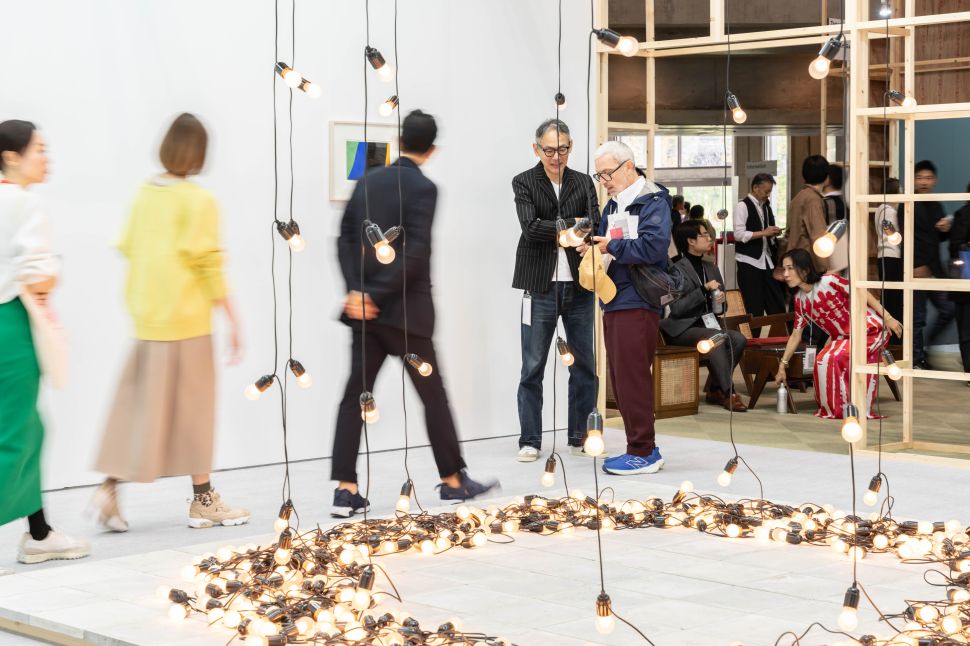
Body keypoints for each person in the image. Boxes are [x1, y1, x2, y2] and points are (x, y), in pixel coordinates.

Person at [333, 109, 498, 517]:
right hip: (407, 315)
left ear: (400, 139)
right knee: (433, 398)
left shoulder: (369, 179)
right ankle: (453, 481)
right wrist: (376, 293)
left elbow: (345, 238)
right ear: (433, 148)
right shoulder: (425, 188)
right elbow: (415, 253)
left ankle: (345, 488)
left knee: (354, 398)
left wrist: (358, 292)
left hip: (367, 316)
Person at [91, 114, 248, 530]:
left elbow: (127, 245)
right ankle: (203, 501)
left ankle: (109, 487)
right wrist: (233, 319)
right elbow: (208, 263)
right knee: (195, 413)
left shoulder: (145, 194)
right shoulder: (198, 201)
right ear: (199, 153)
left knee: (138, 408)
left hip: (147, 319)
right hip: (188, 321)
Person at [1, 120, 90, 563]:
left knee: (29, 430)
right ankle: (37, 535)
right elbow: (39, 275)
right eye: (39, 149)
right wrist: (49, 275)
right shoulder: (23, 203)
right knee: (18, 435)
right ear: (11, 157)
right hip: (10, 324)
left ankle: (39, 533)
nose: (46, 158)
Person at [511, 119, 599, 461]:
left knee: (584, 366)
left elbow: (594, 223)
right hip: (539, 286)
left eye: (562, 149)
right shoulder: (524, 181)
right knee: (532, 366)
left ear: (571, 147)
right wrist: (571, 229)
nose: (556, 156)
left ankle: (580, 436)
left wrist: (567, 229)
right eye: (549, 150)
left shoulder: (583, 181)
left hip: (580, 286)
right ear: (537, 149)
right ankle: (530, 440)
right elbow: (530, 229)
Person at [581, 140, 671, 475]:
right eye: (599, 174)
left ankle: (643, 450)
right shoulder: (614, 205)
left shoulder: (653, 200)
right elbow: (610, 245)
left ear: (628, 167)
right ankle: (641, 445)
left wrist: (611, 245)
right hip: (614, 297)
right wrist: (593, 248)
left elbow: (653, 246)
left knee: (632, 375)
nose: (603, 180)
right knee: (621, 376)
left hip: (638, 299)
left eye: (608, 173)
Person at [774, 249, 902, 419]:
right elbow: (796, 335)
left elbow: (861, 293)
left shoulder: (830, 281)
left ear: (804, 269)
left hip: (870, 331)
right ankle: (834, 410)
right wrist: (782, 365)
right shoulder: (800, 301)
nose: (786, 274)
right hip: (842, 339)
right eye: (784, 269)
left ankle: (855, 407)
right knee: (821, 359)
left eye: (790, 268)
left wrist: (888, 318)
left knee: (836, 356)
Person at [662, 221, 747, 411]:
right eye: (704, 235)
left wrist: (721, 299)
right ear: (691, 241)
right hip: (683, 328)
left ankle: (715, 388)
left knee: (738, 339)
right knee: (715, 338)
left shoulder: (711, 266)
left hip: (709, 324)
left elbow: (721, 307)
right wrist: (703, 290)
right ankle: (727, 392)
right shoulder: (676, 269)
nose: (709, 238)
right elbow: (677, 309)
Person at [908, 160, 955, 370]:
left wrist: (945, 229)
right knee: (917, 317)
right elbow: (904, 238)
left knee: (949, 308)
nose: (923, 182)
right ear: (914, 180)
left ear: (934, 180)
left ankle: (925, 351)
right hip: (916, 269)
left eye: (927, 178)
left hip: (935, 269)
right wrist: (915, 265)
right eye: (919, 178)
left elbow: (938, 239)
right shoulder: (907, 203)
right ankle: (916, 360)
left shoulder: (936, 204)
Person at [733, 173, 785, 327]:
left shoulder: (766, 207)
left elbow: (766, 231)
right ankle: (752, 343)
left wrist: (773, 232)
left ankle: (781, 337)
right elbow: (739, 234)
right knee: (753, 306)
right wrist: (764, 233)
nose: (767, 195)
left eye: (769, 191)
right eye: (765, 191)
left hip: (766, 260)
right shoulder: (742, 206)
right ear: (755, 187)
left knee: (776, 303)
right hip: (748, 261)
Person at [786, 155, 830, 273]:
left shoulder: (799, 197)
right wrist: (825, 268)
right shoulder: (813, 199)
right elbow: (818, 234)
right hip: (807, 263)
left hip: (795, 260)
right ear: (826, 176)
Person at [874, 177, 903, 343]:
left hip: (882, 256)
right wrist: (901, 237)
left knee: (888, 297)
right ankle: (895, 340)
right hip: (892, 256)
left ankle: (887, 338)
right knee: (894, 299)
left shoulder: (879, 209)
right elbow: (892, 234)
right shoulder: (889, 211)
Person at [948, 182, 970, 382]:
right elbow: (957, 245)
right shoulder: (964, 214)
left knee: (965, 326)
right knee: (965, 326)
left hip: (962, 278)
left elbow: (954, 246)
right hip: (964, 277)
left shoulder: (962, 213)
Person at [822, 164, 849, 274]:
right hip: (844, 256)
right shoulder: (844, 203)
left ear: (827, 179)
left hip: (831, 256)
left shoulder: (828, 203)